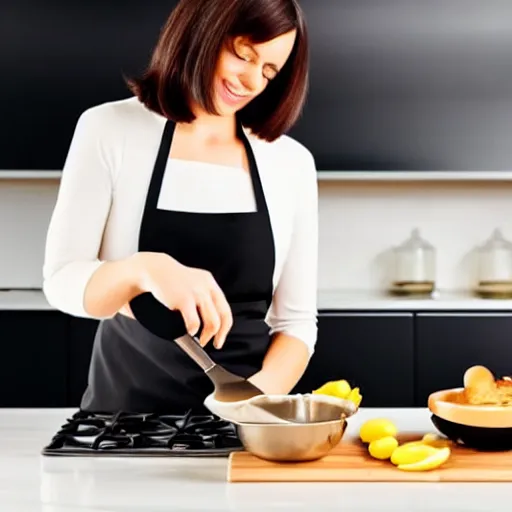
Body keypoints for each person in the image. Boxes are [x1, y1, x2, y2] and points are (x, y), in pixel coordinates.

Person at [43, 0, 318, 415]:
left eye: (268, 71)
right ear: (202, 29)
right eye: (244, 55)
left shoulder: (289, 162)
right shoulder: (109, 129)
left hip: (245, 425)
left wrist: (249, 404)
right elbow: (61, 280)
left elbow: (296, 327)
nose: (251, 81)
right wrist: (147, 269)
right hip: (123, 421)